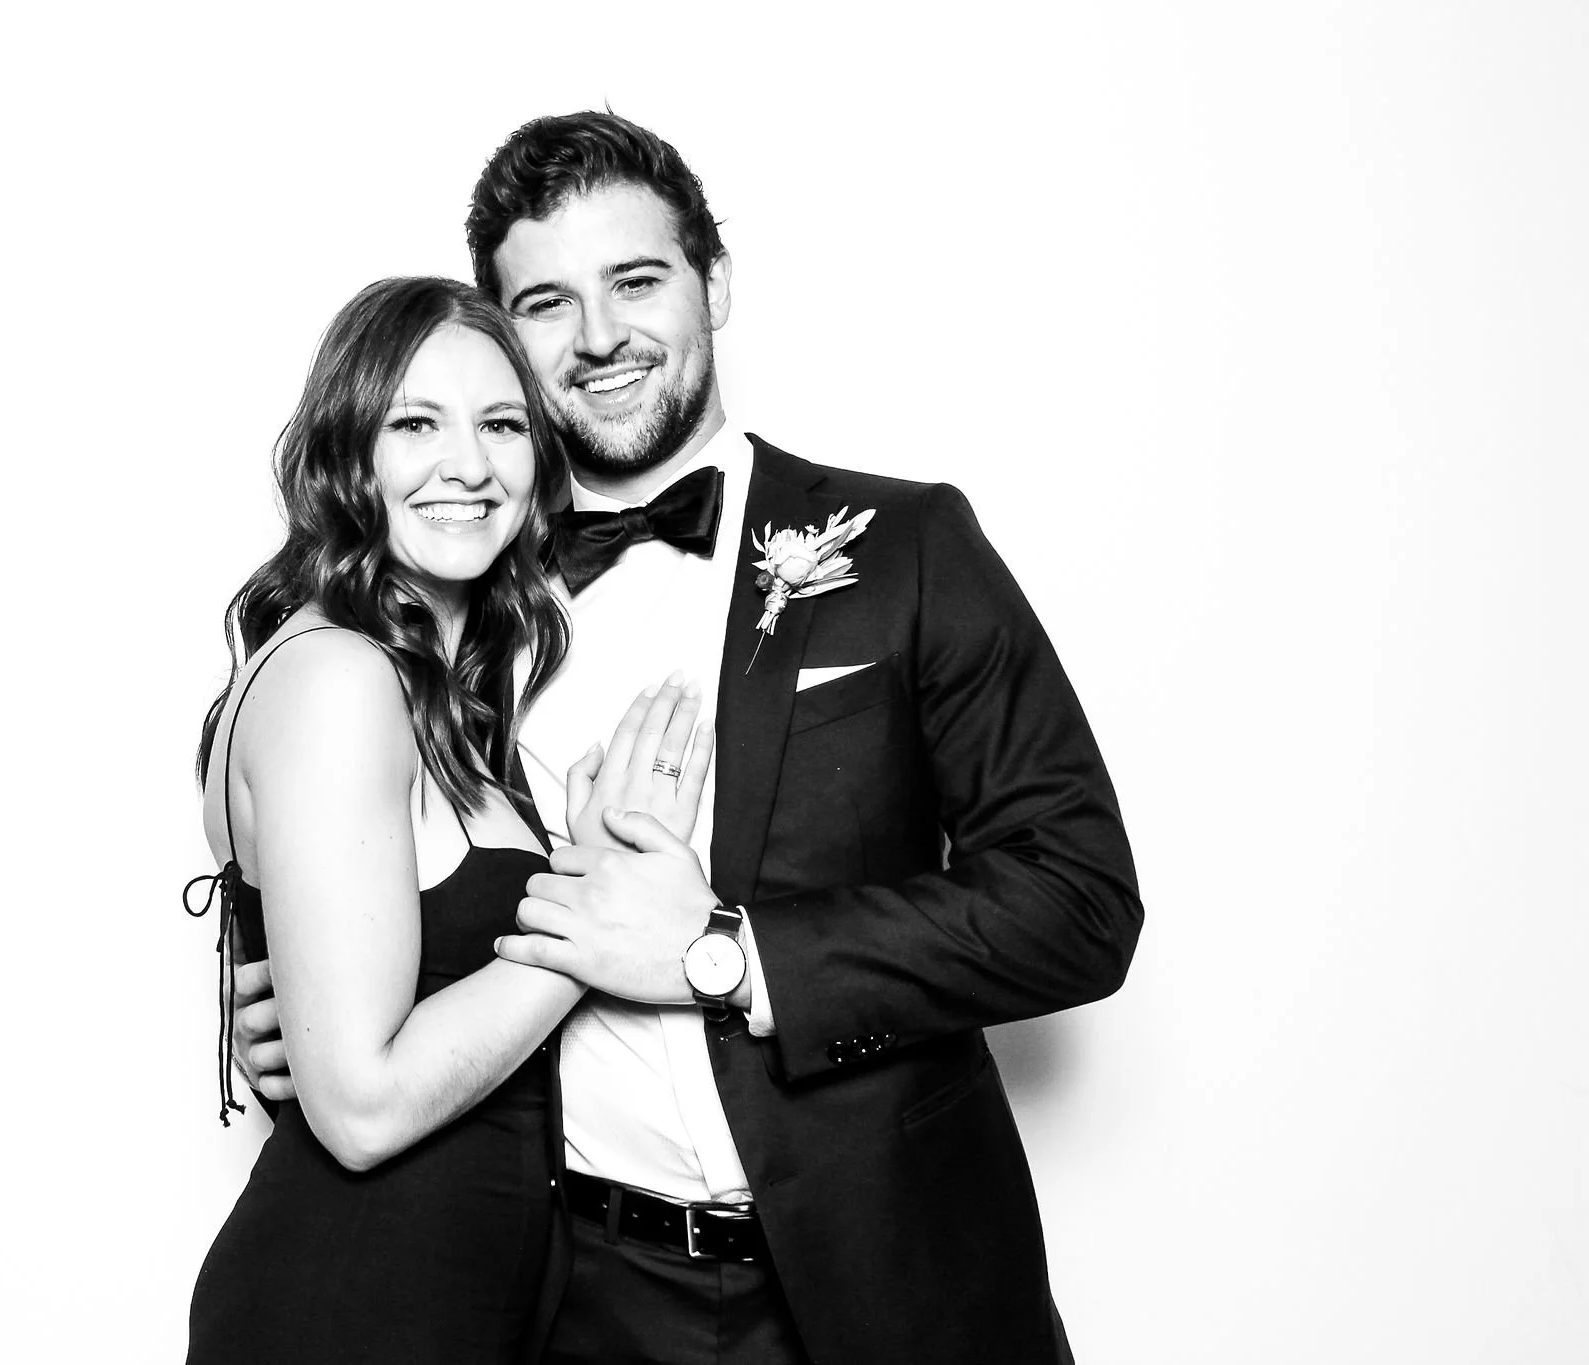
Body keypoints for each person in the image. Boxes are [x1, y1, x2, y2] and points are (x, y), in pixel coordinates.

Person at [234, 115, 1144, 1365]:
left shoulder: (908, 547)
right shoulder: (448, 609)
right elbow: (389, 904)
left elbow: (1076, 902)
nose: (599, 336)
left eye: (637, 280)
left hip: (891, 1283)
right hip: (575, 1302)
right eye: (547, 300)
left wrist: (726, 957)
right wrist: (298, 1003)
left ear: (713, 285)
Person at [182, 275, 710, 1364]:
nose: (467, 465)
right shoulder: (338, 679)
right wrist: (592, 923)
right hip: (355, 1308)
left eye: (501, 424)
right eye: (414, 423)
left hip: (468, 1305)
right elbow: (362, 1107)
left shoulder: (429, 689)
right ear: (346, 454)